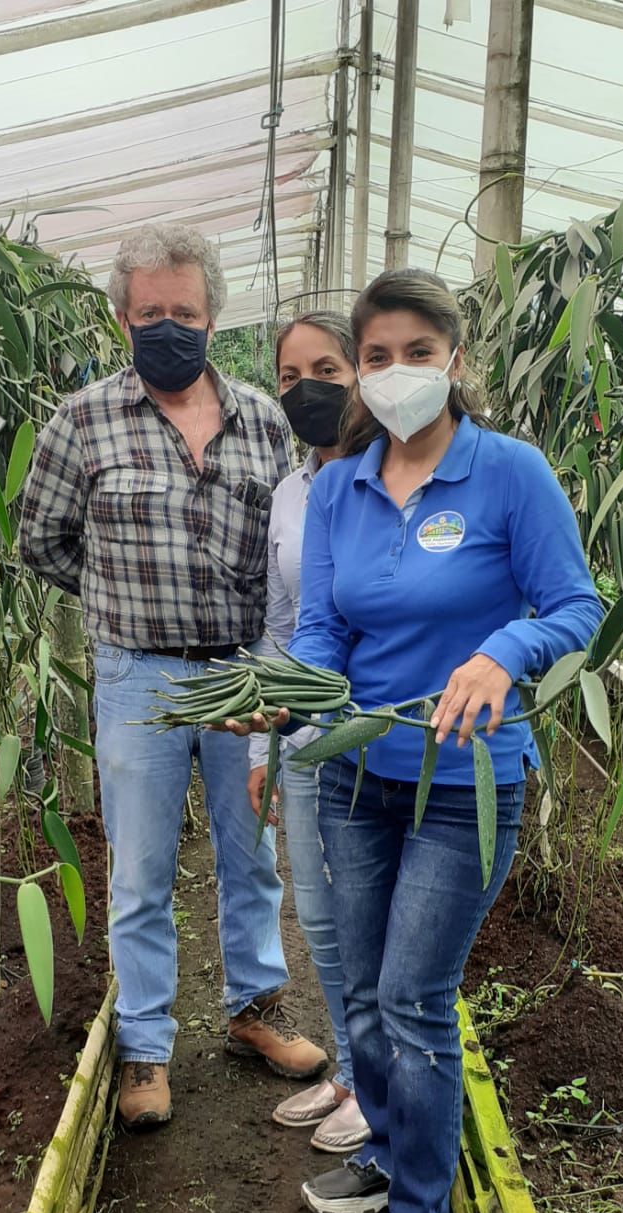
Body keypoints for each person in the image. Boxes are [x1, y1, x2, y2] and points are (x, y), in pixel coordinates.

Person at [237, 269, 603, 1213]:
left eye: (418, 352)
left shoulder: (509, 473)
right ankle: (393, 1156)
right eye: (378, 355)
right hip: (358, 778)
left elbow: (576, 605)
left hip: (464, 783)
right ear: (359, 370)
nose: (397, 372)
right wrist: (284, 695)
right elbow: (324, 631)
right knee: (359, 995)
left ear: (455, 358)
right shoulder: (340, 487)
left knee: (411, 997)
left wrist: (503, 653)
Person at [19, 222, 327, 1130]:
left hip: (243, 671)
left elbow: (288, 539)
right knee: (142, 868)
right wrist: (122, 599)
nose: (168, 327)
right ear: (123, 319)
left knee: (252, 853)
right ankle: (146, 1046)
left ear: (211, 318)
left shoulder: (263, 421)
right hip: (139, 678)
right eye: (150, 312)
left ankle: (255, 1009)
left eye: (184, 313)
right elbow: (43, 539)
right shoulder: (82, 421)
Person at [247, 313, 369, 1154]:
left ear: (360, 372)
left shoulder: (395, 473)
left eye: (326, 368)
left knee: (369, 916)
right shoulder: (290, 494)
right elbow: (280, 625)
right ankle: (353, 1074)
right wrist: (264, 743)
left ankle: (382, 1082)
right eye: (290, 377)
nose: (307, 389)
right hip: (303, 737)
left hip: (382, 736)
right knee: (319, 916)